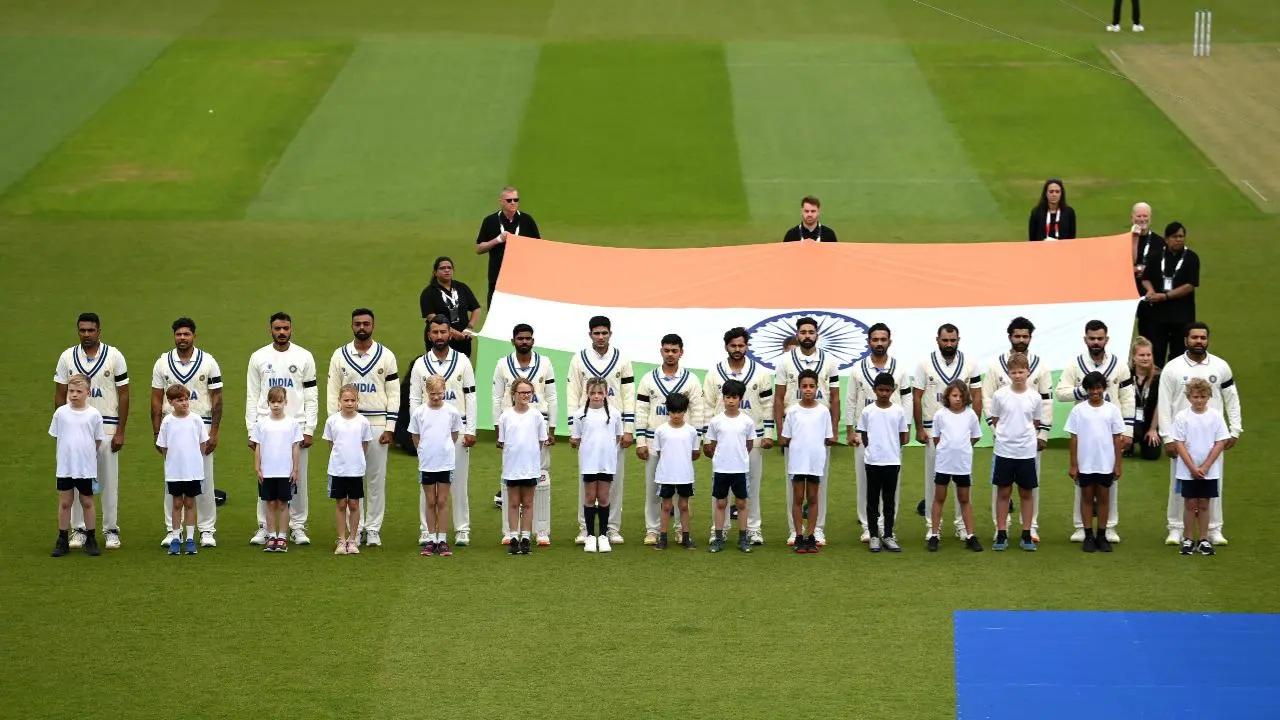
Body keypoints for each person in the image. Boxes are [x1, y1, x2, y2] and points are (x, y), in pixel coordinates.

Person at [1157, 322, 1242, 546]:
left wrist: (1234, 429)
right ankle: (1176, 528)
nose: (1199, 342)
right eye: (1194, 338)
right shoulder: (1173, 368)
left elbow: (1232, 399)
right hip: (1182, 438)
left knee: (1214, 483)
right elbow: (1164, 404)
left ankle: (1214, 529)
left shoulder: (1220, 366)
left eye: (1203, 338)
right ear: (1186, 340)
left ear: (1207, 340)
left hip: (1212, 438)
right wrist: (1167, 437)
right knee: (1179, 484)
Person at [53, 313, 129, 550]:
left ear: (99, 331)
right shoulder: (67, 357)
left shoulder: (114, 356)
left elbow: (124, 393)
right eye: (82, 330)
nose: (86, 334)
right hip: (76, 431)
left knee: (107, 481)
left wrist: (120, 431)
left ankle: (110, 529)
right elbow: (59, 393)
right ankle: (78, 530)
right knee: (76, 481)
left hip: (106, 427)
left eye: (91, 330)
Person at [1055, 319, 1135, 543]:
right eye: (1092, 338)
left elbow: (1128, 399)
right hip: (1086, 432)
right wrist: (1085, 390)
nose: (1096, 342)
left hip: (1111, 430)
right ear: (1085, 339)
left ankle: (1108, 527)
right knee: (1083, 482)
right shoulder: (1075, 364)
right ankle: (1082, 526)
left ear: (1106, 339)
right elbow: (1060, 393)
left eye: (1100, 338)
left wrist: (1128, 431)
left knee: (1110, 483)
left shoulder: (1119, 365)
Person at [326, 308, 398, 547]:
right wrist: (334, 425)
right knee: (349, 480)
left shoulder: (386, 355)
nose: (362, 328)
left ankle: (373, 528)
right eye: (357, 323)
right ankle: (352, 532)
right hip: (347, 425)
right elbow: (332, 391)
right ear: (351, 326)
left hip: (377, 424)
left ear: (373, 326)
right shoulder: (339, 355)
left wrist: (390, 425)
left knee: (376, 480)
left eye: (366, 323)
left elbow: (394, 393)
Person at [246, 312, 317, 546]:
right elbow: (252, 395)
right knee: (264, 478)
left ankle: (297, 526)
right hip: (265, 429)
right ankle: (265, 527)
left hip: (294, 427)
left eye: (285, 328)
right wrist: (251, 429)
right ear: (270, 330)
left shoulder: (304, 356)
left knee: (296, 479)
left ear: (291, 329)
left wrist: (309, 428)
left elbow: (311, 395)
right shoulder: (258, 357)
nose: (282, 332)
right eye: (277, 328)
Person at [151, 317, 223, 549]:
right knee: (172, 481)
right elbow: (155, 398)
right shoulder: (162, 363)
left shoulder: (208, 361)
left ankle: (206, 529)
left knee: (204, 481)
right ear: (174, 336)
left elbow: (217, 398)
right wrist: (156, 432)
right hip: (171, 427)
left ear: (194, 336)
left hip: (199, 427)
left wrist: (214, 431)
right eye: (179, 334)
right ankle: (173, 531)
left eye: (187, 334)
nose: (182, 338)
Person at [980, 317, 1052, 542]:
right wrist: (996, 430)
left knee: (1029, 486)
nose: (1021, 340)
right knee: (1001, 488)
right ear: (1009, 336)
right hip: (1004, 439)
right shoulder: (995, 365)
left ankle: (1030, 527)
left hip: (1029, 439)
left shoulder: (1040, 365)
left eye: (1025, 336)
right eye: (1017, 336)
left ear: (1030, 337)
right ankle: (1000, 527)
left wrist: (1043, 434)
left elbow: (1046, 400)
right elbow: (987, 398)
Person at [409, 315, 478, 547]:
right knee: (427, 486)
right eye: (435, 332)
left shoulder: (462, 361)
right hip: (429, 433)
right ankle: (426, 531)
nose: (439, 336)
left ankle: (461, 529)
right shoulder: (420, 364)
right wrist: (416, 433)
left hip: (457, 430)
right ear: (429, 335)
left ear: (450, 334)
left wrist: (471, 430)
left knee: (458, 481)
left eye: (443, 332)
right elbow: (414, 399)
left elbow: (471, 396)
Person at [566, 316, 635, 545]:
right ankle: (585, 529)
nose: (601, 337)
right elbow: (573, 393)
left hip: (613, 427)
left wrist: (628, 428)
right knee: (586, 483)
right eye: (596, 333)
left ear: (610, 334)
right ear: (590, 335)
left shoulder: (622, 358)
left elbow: (628, 394)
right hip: (588, 427)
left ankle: (612, 528)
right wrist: (573, 428)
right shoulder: (579, 359)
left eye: (604, 333)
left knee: (613, 480)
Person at [702, 327, 774, 545]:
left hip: (752, 437)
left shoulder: (760, 373)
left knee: (751, 485)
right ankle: (719, 529)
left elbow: (767, 404)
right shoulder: (714, 373)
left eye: (741, 345)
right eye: (733, 345)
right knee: (719, 487)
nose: (737, 349)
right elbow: (706, 406)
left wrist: (768, 433)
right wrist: (706, 439)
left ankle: (753, 529)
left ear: (747, 347)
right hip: (721, 439)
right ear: (726, 347)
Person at [772, 317, 840, 547]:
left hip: (820, 428)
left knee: (818, 485)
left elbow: (835, 396)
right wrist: (781, 433)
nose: (807, 336)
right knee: (795, 486)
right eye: (803, 332)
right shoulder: (784, 362)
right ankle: (795, 531)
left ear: (817, 335)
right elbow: (779, 397)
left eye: (811, 332)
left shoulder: (830, 360)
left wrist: (834, 430)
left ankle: (817, 530)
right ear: (797, 334)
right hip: (795, 429)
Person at [912, 323, 983, 539]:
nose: (949, 344)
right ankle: (933, 527)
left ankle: (963, 526)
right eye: (945, 340)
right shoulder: (924, 363)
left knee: (963, 482)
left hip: (961, 433)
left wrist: (972, 430)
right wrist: (919, 428)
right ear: (938, 340)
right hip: (934, 430)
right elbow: (917, 396)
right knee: (935, 481)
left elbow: (977, 396)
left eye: (953, 340)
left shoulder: (971, 363)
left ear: (958, 340)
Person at [635, 333, 707, 545]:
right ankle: (653, 530)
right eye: (667, 350)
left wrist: (698, 442)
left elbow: (698, 411)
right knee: (654, 488)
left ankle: (679, 530)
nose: (670, 354)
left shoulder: (691, 379)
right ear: (661, 351)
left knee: (681, 490)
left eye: (674, 351)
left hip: (683, 444)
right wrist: (640, 440)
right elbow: (641, 410)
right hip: (653, 441)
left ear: (681, 352)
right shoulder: (649, 378)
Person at [492, 323, 557, 546]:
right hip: (512, 429)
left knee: (541, 477)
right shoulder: (503, 364)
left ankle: (541, 530)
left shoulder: (545, 363)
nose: (524, 342)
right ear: (513, 341)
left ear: (533, 340)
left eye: (528, 338)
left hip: (538, 426)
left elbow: (552, 397)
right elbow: (496, 398)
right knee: (509, 479)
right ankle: (509, 532)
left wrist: (552, 428)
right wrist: (496, 427)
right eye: (520, 338)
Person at [844, 323, 909, 543]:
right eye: (875, 339)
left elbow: (907, 399)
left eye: (883, 339)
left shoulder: (899, 369)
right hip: (866, 434)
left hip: (891, 435)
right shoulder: (857, 369)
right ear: (869, 342)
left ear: (889, 341)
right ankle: (867, 526)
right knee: (866, 482)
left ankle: (887, 527)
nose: (879, 343)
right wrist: (850, 431)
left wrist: (905, 428)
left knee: (892, 487)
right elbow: (851, 400)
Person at [988, 353, 1048, 552]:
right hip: (1004, 450)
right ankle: (1002, 533)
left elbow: (1036, 421)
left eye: (1021, 371)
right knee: (1003, 492)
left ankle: (1026, 533)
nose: (1018, 375)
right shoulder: (1000, 395)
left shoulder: (1035, 396)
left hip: (1026, 452)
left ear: (1028, 372)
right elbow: (995, 419)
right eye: (1013, 372)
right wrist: (1005, 435)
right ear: (1008, 373)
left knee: (1026, 493)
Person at [1065, 372, 1126, 553]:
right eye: (1091, 388)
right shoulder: (1078, 410)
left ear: (1104, 389)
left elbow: (1117, 439)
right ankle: (1088, 535)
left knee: (1104, 499)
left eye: (1098, 388)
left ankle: (1102, 534)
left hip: (1105, 463)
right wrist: (1074, 465)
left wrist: (1118, 464)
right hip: (1085, 464)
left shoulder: (1112, 410)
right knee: (1086, 498)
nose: (1095, 392)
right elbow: (1074, 438)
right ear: (1086, 390)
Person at [49, 374, 106, 557]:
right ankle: (62, 539)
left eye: (78, 391)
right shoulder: (61, 413)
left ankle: (91, 538)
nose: (74, 395)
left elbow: (97, 440)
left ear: (88, 392)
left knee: (87, 501)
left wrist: (87, 456)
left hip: (85, 467)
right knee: (65, 502)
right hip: (66, 467)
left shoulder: (94, 415)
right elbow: (58, 436)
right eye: (71, 391)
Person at [1171, 379, 1228, 556]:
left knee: (1204, 504)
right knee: (1189, 504)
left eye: (1203, 396)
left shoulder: (1216, 416)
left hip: (1209, 471)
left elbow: (1221, 442)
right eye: (1195, 396)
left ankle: (1203, 539)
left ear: (1209, 396)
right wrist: (1192, 468)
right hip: (1187, 471)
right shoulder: (1182, 416)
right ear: (1189, 397)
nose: (1199, 400)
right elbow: (1179, 444)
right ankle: (1188, 539)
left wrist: (1205, 466)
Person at [409, 376, 462, 557]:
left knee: (442, 501)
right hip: (427, 464)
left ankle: (443, 539)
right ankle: (431, 539)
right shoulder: (420, 412)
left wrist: (446, 449)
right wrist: (423, 451)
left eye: (440, 393)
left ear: (444, 391)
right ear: (427, 392)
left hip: (445, 462)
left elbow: (454, 434)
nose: (437, 397)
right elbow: (415, 435)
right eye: (433, 394)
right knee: (430, 501)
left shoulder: (451, 412)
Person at [857, 373, 910, 553]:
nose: (884, 393)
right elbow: (864, 434)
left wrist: (891, 450)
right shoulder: (867, 411)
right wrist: (873, 450)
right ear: (874, 390)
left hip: (892, 461)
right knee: (872, 500)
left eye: (888, 390)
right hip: (873, 462)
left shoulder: (898, 411)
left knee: (889, 500)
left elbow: (903, 436)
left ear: (893, 390)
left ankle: (888, 534)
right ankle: (873, 535)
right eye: (881, 390)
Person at [929, 381, 984, 552]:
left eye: (961, 396)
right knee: (939, 498)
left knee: (964, 499)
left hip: (963, 465)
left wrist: (963, 449)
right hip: (944, 464)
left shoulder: (971, 415)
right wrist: (947, 450)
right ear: (947, 396)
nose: (958, 399)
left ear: (966, 397)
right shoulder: (940, 415)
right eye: (954, 395)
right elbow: (936, 438)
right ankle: (934, 535)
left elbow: (975, 437)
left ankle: (970, 536)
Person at [781, 370, 831, 554]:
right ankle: (798, 535)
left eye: (811, 386)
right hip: (797, 461)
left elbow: (827, 437)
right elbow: (786, 437)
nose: (808, 390)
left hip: (815, 461)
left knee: (812, 498)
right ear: (799, 388)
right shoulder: (792, 411)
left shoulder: (823, 411)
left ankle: (811, 536)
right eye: (804, 386)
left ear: (817, 388)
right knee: (797, 497)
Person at [497, 378, 549, 556]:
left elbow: (542, 440)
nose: (526, 395)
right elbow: (503, 442)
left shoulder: (536, 416)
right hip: (512, 468)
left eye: (529, 392)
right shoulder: (505, 416)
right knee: (512, 503)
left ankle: (525, 538)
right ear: (514, 394)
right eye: (522, 392)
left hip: (530, 467)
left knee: (527, 503)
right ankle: (513, 537)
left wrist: (531, 457)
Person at [156, 384, 209, 556]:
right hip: (175, 472)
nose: (184, 403)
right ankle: (176, 537)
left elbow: (202, 445)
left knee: (190, 503)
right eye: (180, 400)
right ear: (170, 402)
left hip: (193, 471)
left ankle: (191, 539)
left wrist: (193, 461)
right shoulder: (167, 421)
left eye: (186, 399)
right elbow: (164, 448)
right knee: (177, 503)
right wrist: (173, 462)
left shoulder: (196, 420)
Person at [570, 378, 622, 554]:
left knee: (604, 497)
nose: (597, 396)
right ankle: (591, 535)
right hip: (589, 463)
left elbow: (617, 437)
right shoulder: (579, 415)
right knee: (590, 497)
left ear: (606, 393)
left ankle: (603, 535)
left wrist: (606, 453)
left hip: (607, 463)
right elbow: (576, 438)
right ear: (587, 393)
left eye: (600, 392)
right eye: (593, 393)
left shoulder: (614, 414)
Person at [704, 379, 755, 554]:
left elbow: (749, 445)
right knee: (720, 503)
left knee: (741, 503)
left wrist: (738, 459)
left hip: (740, 469)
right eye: (727, 397)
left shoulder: (747, 421)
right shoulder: (716, 421)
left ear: (740, 398)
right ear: (723, 398)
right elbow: (712, 444)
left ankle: (743, 538)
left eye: (734, 397)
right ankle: (718, 538)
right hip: (721, 469)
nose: (730, 401)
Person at [1140, 222, 1200, 368]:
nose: (1179, 239)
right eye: (1175, 236)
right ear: (1166, 239)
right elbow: (1145, 278)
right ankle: (1156, 386)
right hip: (1158, 316)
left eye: (1181, 236)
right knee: (1157, 353)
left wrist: (1166, 296)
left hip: (1182, 316)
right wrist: (1150, 290)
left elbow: (1190, 285)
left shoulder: (1191, 258)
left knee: (1179, 355)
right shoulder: (1156, 256)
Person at [251, 386, 302, 553]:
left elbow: (295, 447)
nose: (276, 405)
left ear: (285, 402)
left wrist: (295, 469)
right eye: (272, 402)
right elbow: (258, 446)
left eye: (279, 401)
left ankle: (282, 537)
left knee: (283, 504)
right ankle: (271, 535)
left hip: (284, 472)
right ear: (268, 403)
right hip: (268, 472)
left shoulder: (292, 424)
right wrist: (257, 467)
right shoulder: (261, 424)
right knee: (270, 503)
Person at [323, 384, 372, 556]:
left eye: (353, 400)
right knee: (341, 503)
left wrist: (356, 460)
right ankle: (341, 539)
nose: (349, 403)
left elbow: (365, 444)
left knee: (354, 504)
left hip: (356, 470)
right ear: (339, 402)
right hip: (337, 470)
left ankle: (353, 539)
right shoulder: (332, 421)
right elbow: (331, 444)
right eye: (346, 400)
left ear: (357, 401)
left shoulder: (363, 422)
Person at [474, 186, 541, 308]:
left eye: (516, 200)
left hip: (522, 277)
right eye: (509, 200)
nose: (513, 203)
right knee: (496, 312)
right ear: (501, 201)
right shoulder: (490, 221)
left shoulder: (527, 220)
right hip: (497, 276)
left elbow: (538, 247)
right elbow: (479, 248)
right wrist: (498, 240)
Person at [651, 392, 700, 550]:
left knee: (684, 506)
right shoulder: (660, 430)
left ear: (685, 411)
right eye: (672, 411)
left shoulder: (691, 431)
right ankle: (663, 538)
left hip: (685, 475)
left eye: (679, 411)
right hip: (666, 475)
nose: (676, 415)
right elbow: (659, 452)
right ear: (668, 411)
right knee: (666, 506)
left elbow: (693, 453)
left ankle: (686, 537)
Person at [419, 257, 481, 358]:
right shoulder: (429, 293)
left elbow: (476, 308)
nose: (447, 270)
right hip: (440, 338)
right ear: (435, 272)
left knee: (461, 368)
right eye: (442, 268)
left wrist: (469, 327)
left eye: (449, 268)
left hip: (463, 339)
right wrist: (453, 332)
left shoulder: (462, 287)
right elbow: (432, 317)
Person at [1129, 202, 1164, 341]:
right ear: (1132, 217)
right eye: (1138, 216)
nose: (1142, 219)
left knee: (1148, 334)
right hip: (1127, 291)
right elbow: (1124, 264)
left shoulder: (1159, 242)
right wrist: (1137, 268)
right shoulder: (1125, 239)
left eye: (1145, 216)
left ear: (1150, 218)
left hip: (1148, 294)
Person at [1128, 337, 1163, 460]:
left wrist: (1153, 429)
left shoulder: (1160, 376)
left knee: (1152, 455)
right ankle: (1129, 442)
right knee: (1125, 450)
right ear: (1134, 357)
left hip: (1150, 421)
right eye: (1141, 355)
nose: (1145, 358)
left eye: (1148, 355)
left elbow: (1161, 404)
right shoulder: (1126, 375)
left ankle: (1148, 437)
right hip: (1130, 422)